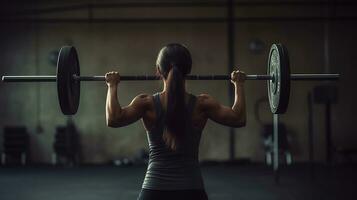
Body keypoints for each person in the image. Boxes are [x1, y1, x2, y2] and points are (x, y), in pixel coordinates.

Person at [105, 43, 246, 200]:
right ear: (188, 70)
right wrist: (238, 85)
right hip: (192, 190)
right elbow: (238, 118)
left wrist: (112, 86)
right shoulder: (202, 104)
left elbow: (114, 119)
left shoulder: (146, 103)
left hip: (154, 190)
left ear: (158, 71)